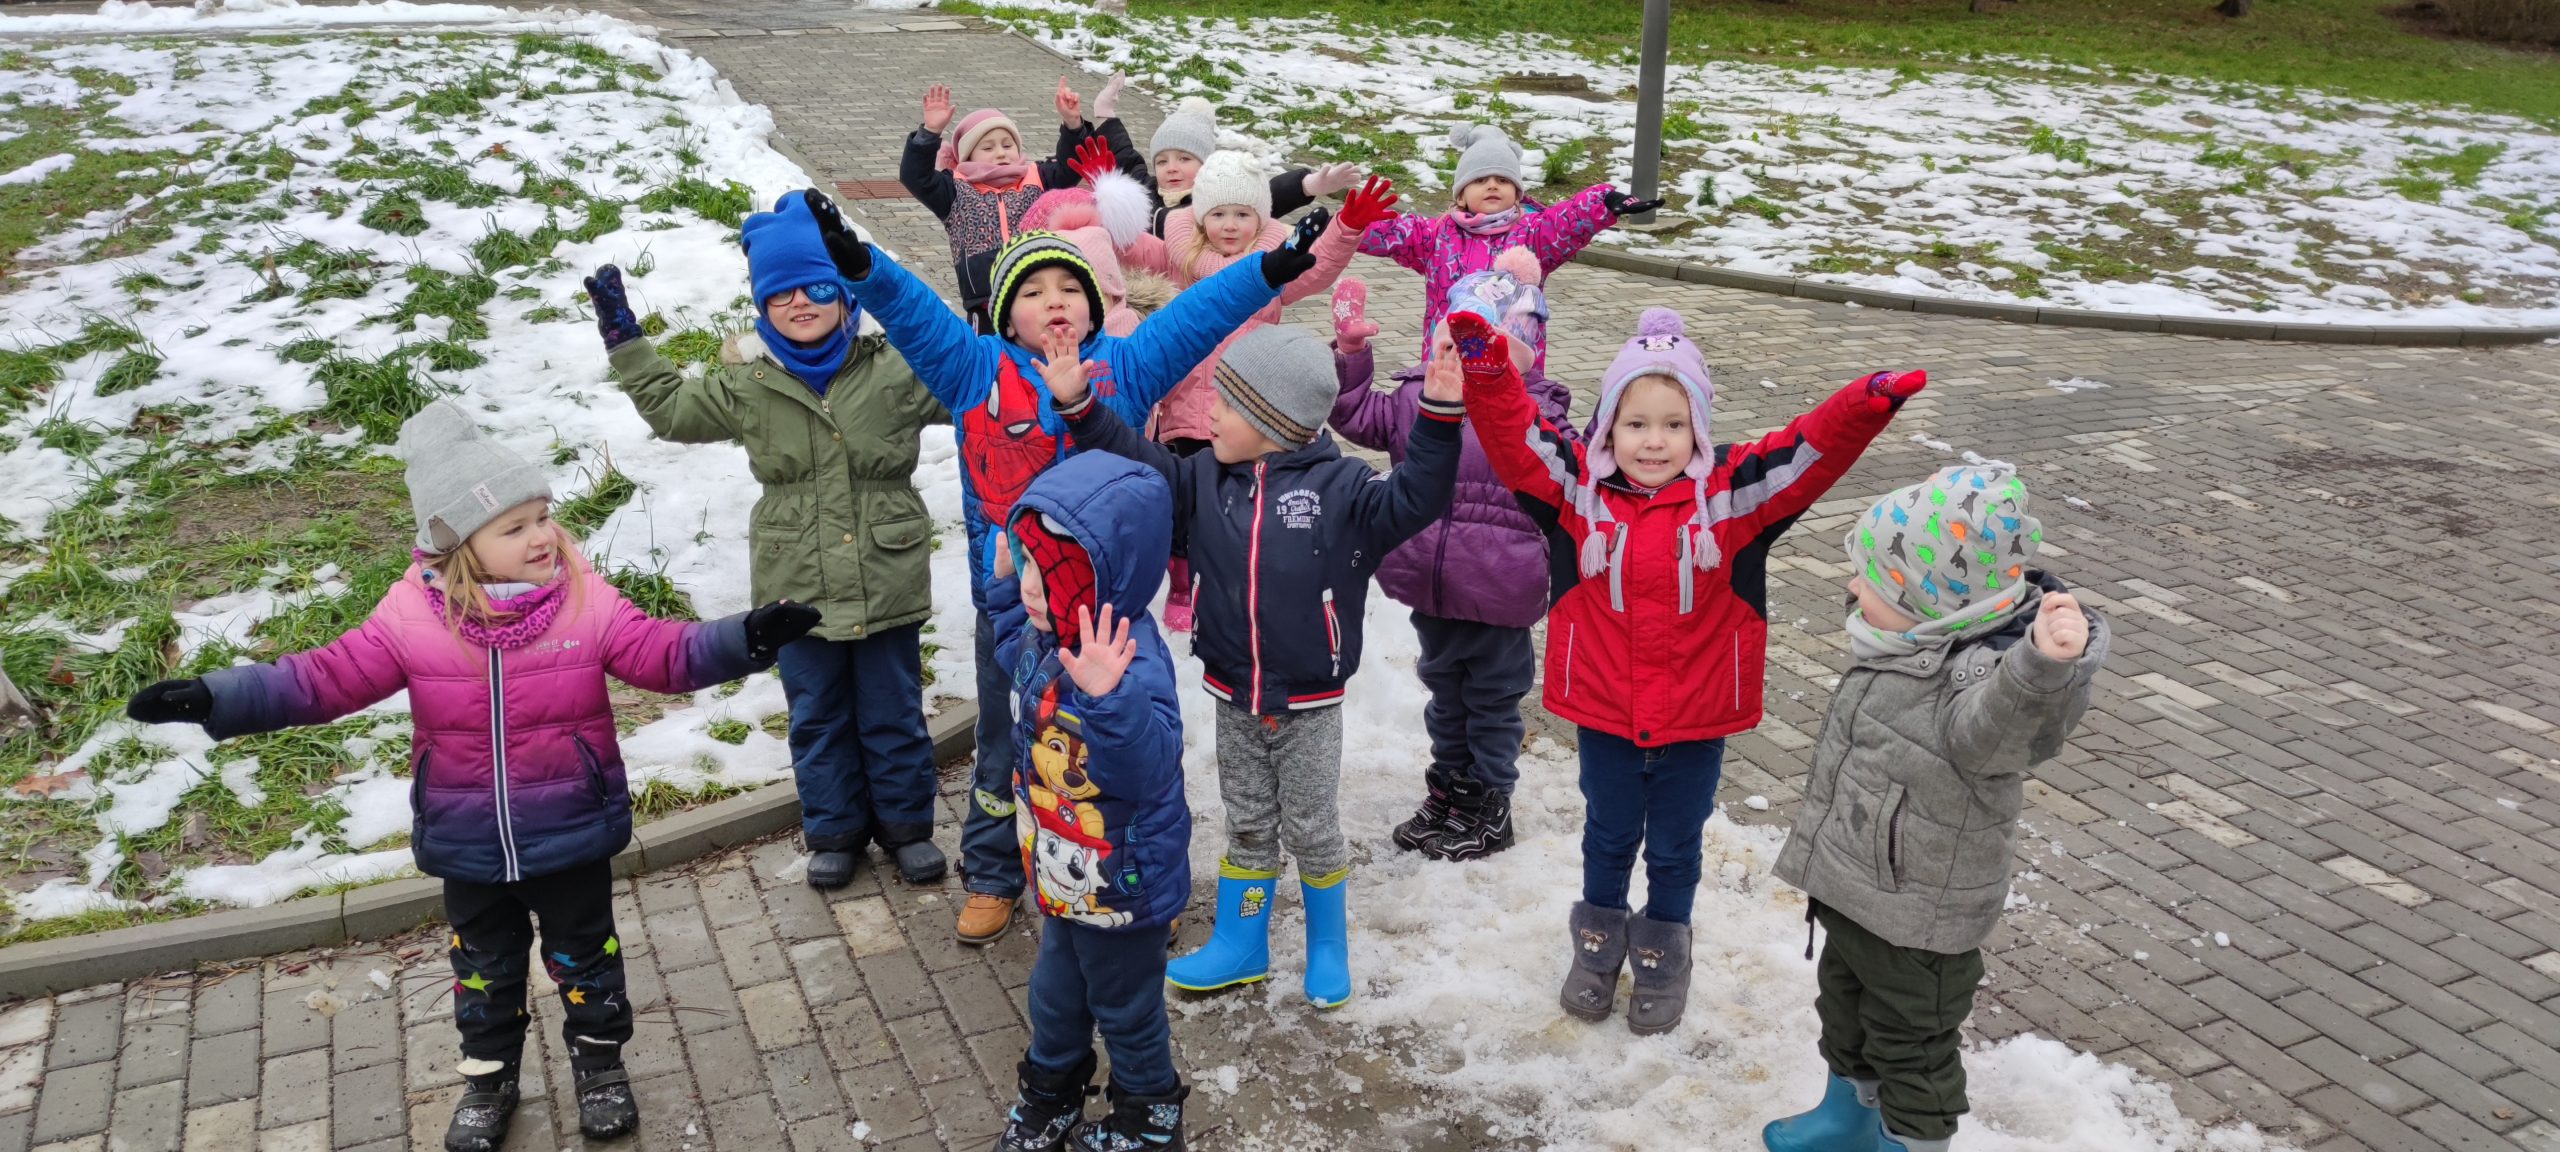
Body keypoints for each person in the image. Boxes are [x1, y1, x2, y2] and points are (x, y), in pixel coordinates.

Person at [123, 401, 819, 1152]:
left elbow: (664, 653)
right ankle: (489, 1082)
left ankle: (600, 1070)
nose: (543, 536)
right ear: (458, 544)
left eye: (543, 517)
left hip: (570, 826)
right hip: (467, 838)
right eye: (514, 528)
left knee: (588, 959)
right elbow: (322, 679)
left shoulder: (585, 600)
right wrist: (218, 697)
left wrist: (745, 638)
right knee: (484, 970)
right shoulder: (410, 617)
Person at [803, 192, 1325, 945]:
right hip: (1014, 605)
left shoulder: (1126, 367)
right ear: (1005, 316)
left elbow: (1199, 314)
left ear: (1093, 305)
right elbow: (912, 311)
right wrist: (861, 266)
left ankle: (1138, 883)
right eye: (1035, 292)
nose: (1056, 302)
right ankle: (993, 874)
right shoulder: (973, 369)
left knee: (1125, 749)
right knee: (1004, 743)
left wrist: (1270, 269)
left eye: (1071, 288)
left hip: (1110, 609)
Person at [1454, 306, 1922, 1034]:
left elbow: (1808, 450)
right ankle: (1597, 945)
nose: (1654, 441)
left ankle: (1663, 957)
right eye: (1636, 423)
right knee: (1608, 836)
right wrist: (1489, 375)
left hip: (1697, 717)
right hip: (1607, 712)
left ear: (1698, 428)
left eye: (1674, 424)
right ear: (1608, 428)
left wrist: (1867, 401)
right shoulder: (1576, 492)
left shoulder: (1733, 498)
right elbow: (1518, 439)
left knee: (1675, 847)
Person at [1049, 322, 1462, 1008]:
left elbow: (1418, 494)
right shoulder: (1202, 479)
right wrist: (1079, 407)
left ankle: (1328, 944)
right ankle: (1242, 941)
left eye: (1227, 402)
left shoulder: (1345, 490)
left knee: (1312, 827)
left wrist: (1441, 416)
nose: (1209, 412)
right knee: (1246, 821)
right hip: (1233, 691)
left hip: (1308, 703)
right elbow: (1136, 458)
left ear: (1276, 421)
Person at [587, 190, 947, 890]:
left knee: (893, 711)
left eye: (816, 287)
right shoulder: (746, 383)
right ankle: (834, 830)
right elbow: (671, 411)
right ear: (762, 304)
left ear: (844, 292)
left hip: (886, 572)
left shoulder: (894, 368)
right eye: (780, 294)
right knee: (816, 713)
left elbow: (967, 378)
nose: (800, 303)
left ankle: (907, 827)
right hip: (797, 576)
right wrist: (625, 341)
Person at [1762, 463, 2107, 1152]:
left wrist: (2042, 669)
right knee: (1846, 1011)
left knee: (1911, 1049)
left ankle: (1910, 1142)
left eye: (1870, 579)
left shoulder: (1980, 679)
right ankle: (1846, 1119)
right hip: (1859, 894)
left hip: (1919, 920)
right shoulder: (1908, 644)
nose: (1852, 588)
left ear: (1927, 597)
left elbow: (2005, 726)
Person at [1326, 250, 1569, 861]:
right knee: (1444, 694)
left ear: (1514, 358)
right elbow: (1353, 414)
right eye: (1447, 340)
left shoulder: (1536, 413)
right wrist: (1352, 355)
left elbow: (1571, 475)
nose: (1453, 356)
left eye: (1474, 345)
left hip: (1499, 587)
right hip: (1432, 581)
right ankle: (1450, 790)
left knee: (1492, 700)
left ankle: (1489, 801)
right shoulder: (1414, 398)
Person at [985, 452, 1194, 1152]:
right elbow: (1011, 652)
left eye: (1048, 572)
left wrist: (1109, 699)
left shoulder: (1130, 658)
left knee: (1125, 1006)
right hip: (1060, 866)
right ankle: (1052, 1094)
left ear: (1104, 575)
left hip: (1124, 880)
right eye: (1027, 563)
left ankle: (1150, 1116)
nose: (1033, 587)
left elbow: (1148, 767)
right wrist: (1005, 588)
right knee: (1055, 994)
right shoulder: (1048, 629)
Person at [1355, 123, 1658, 373]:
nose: (1492, 185)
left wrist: (1605, 202)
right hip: (1448, 364)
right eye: (1480, 180)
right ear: (1460, 196)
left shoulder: (1534, 233)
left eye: (1502, 179)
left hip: (1513, 370)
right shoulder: (1436, 235)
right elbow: (1392, 232)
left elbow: (1568, 220)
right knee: (1448, 424)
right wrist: (1346, 224)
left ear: (1516, 192)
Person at [1059, 81, 1357, 237]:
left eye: (1184, 159)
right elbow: (1124, 156)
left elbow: (1266, 195)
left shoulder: (1215, 197)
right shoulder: (1145, 190)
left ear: (1205, 164)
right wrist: (1103, 114)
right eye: (1162, 161)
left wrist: (1308, 184)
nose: (1171, 168)